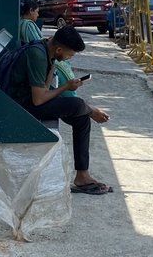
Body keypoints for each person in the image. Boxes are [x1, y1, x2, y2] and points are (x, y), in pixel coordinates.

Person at [7, 25, 113, 194]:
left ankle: (82, 175)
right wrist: (66, 87)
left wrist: (54, 64)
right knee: (78, 105)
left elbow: (45, 88)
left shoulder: (46, 50)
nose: (69, 58)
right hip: (19, 107)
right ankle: (91, 111)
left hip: (29, 101)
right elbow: (39, 99)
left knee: (81, 117)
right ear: (58, 49)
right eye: (69, 54)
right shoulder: (37, 54)